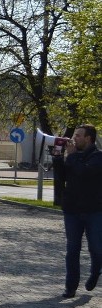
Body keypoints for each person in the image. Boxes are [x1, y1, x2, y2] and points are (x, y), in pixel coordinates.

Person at [51, 124, 102, 298]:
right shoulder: (73, 157)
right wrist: (58, 158)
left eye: (79, 136)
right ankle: (70, 286)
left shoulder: (98, 157)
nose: (75, 139)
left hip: (94, 211)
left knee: (96, 248)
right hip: (72, 210)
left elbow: (83, 172)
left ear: (88, 138)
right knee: (72, 249)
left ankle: (96, 271)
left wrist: (71, 157)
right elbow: (63, 176)